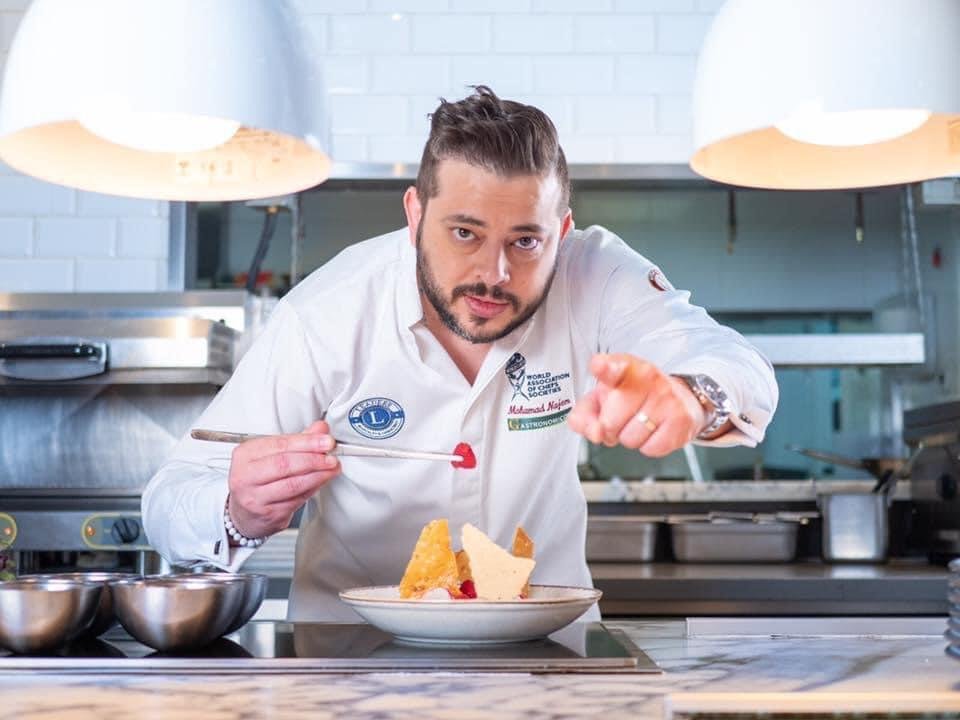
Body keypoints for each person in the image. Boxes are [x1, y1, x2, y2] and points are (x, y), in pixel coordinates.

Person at [142, 86, 778, 621]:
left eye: (525, 241)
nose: (493, 274)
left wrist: (693, 396)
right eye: (465, 232)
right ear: (415, 215)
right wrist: (238, 507)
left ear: (561, 233)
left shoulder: (595, 273)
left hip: (547, 656)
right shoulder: (327, 312)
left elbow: (729, 359)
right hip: (351, 657)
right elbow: (169, 501)